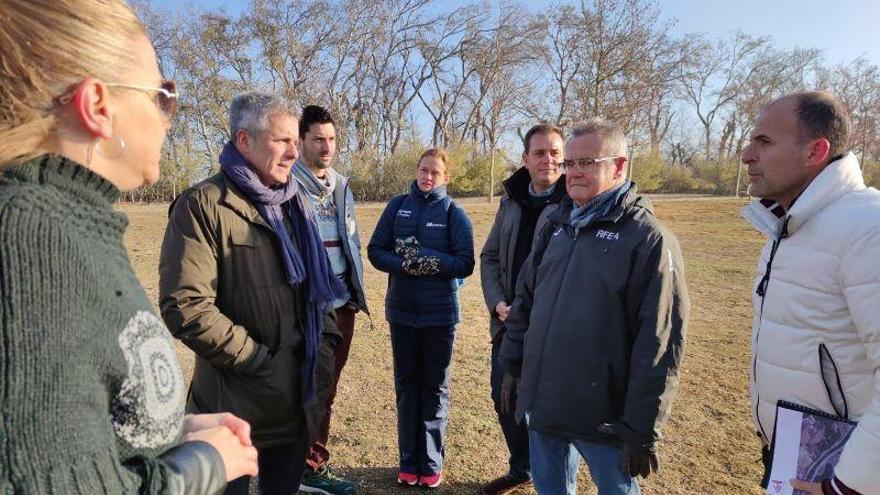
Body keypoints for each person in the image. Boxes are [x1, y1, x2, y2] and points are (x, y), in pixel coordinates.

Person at [0, 1, 259, 493]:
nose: (170, 116)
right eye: (164, 94)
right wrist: (205, 463)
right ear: (97, 106)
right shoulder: (30, 239)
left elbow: (65, 429)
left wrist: (171, 434)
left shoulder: (78, 219)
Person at [158, 93, 345, 495]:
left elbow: (320, 291)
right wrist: (260, 362)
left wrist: (325, 350)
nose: (295, 152)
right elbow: (186, 306)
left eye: (297, 141)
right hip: (234, 408)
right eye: (282, 141)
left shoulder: (297, 203)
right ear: (244, 141)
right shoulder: (202, 206)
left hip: (299, 400)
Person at [499, 118, 690, 495]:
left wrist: (643, 428)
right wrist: (513, 365)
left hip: (604, 416)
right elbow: (525, 301)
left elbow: (659, 343)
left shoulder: (648, 239)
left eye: (586, 163)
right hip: (545, 402)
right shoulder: (556, 223)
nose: (572, 172)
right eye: (570, 163)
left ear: (619, 166)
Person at [741, 91, 880, 495]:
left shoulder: (867, 227)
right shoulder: (788, 224)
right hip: (795, 459)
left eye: (764, 142)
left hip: (841, 473)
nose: (747, 155)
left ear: (816, 151)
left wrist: (848, 484)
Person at [367, 148, 475, 489]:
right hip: (402, 314)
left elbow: (464, 262)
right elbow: (376, 250)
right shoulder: (397, 207)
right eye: (423, 170)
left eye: (435, 173)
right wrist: (402, 264)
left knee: (434, 389)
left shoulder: (453, 213)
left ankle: (430, 464)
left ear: (446, 177)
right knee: (407, 388)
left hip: (439, 317)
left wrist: (429, 259)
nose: (427, 177)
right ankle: (408, 463)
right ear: (417, 170)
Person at [479, 124, 568, 494]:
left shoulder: (573, 202)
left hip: (550, 327)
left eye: (554, 153)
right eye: (539, 153)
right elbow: (490, 255)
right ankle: (522, 467)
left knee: (550, 412)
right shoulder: (510, 200)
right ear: (526, 159)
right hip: (507, 323)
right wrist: (498, 302)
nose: (548, 160)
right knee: (504, 395)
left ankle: (556, 481)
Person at [292, 104, 366, 495]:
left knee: (328, 388)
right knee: (309, 387)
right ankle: (304, 467)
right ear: (302, 141)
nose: (327, 147)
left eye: (332, 139)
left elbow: (350, 242)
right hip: (308, 305)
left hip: (342, 303)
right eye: (318, 139)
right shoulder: (286, 186)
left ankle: (310, 462)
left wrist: (354, 294)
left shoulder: (341, 185)